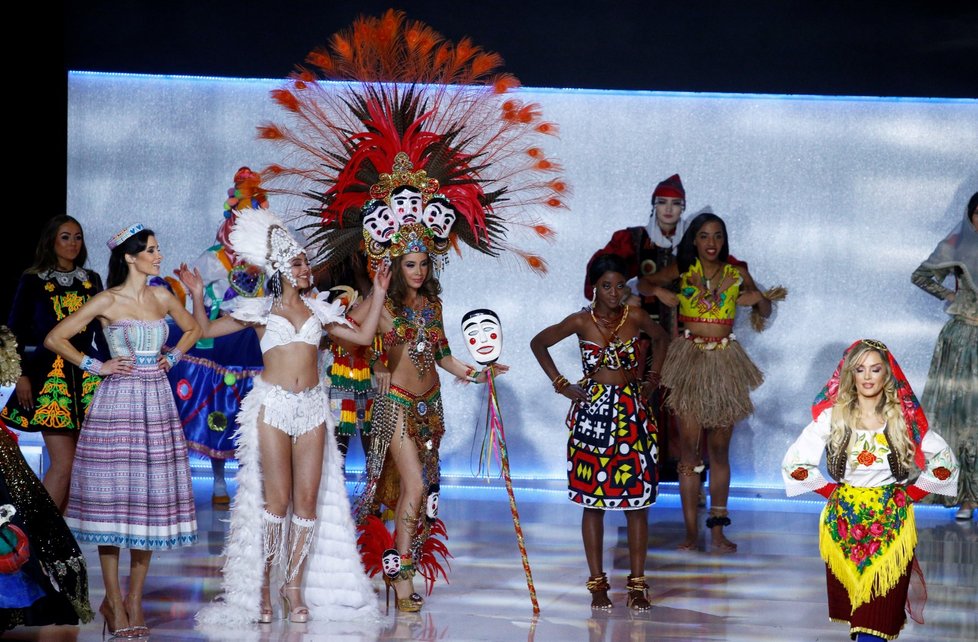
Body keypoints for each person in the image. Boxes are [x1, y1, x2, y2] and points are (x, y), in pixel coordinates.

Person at [188, 208, 388, 626]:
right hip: (274, 406)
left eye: (305, 262)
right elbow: (204, 332)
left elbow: (365, 336)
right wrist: (194, 293)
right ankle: (263, 581)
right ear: (281, 268)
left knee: (307, 503)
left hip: (313, 408)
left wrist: (381, 291)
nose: (306, 268)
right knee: (276, 502)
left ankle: (291, 586)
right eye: (298, 263)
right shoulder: (259, 311)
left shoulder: (320, 311)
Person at [43, 223, 200, 638]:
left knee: (147, 504)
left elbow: (194, 328)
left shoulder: (163, 295)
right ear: (130, 257)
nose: (159, 255)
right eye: (151, 250)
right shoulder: (107, 299)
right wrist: (97, 365)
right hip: (116, 406)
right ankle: (113, 602)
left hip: (157, 405)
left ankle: (134, 600)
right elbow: (55, 338)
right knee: (114, 504)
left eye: (157, 248)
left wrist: (174, 357)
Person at [353, 219, 509, 613]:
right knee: (416, 486)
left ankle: (402, 566)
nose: (419, 271)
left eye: (423, 263)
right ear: (396, 265)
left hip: (430, 405)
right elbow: (349, 326)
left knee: (419, 493)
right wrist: (375, 362)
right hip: (397, 405)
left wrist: (477, 374)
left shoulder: (433, 305)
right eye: (410, 264)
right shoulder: (384, 304)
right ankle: (401, 574)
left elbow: (443, 357)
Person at [782, 339, 958, 641]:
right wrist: (830, 492)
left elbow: (944, 463)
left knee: (877, 618)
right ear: (850, 374)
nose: (866, 376)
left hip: (892, 523)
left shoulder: (902, 418)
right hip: (844, 524)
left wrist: (909, 495)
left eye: (875, 369)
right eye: (860, 369)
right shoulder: (833, 416)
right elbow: (795, 463)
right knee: (860, 616)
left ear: (887, 375)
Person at [531, 253, 668, 611]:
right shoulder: (580, 321)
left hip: (631, 413)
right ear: (593, 287)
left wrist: (652, 380)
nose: (613, 292)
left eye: (620, 285)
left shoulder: (634, 316)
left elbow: (661, 337)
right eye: (606, 285)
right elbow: (538, 343)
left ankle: (637, 585)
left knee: (637, 504)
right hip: (593, 416)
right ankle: (597, 584)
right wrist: (561, 384)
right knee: (593, 504)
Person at [639, 211, 782, 552]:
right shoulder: (683, 270)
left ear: (724, 240)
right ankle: (691, 532)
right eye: (704, 236)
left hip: (724, 363)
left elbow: (765, 311)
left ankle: (717, 530)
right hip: (689, 361)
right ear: (694, 240)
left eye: (717, 236)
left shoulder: (737, 274)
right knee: (688, 452)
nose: (711, 243)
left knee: (719, 450)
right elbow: (641, 283)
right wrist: (659, 291)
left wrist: (757, 299)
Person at [2, 215, 107, 513]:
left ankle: (57, 545)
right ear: (51, 240)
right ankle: (38, 538)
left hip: (86, 379)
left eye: (77, 237)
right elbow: (14, 331)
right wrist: (20, 375)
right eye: (65, 237)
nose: (73, 243)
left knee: (75, 466)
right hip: (50, 378)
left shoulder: (92, 280)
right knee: (63, 463)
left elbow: (101, 331)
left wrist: (112, 368)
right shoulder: (33, 279)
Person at [584, 174, 686, 481]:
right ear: (653, 206)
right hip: (636, 343)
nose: (668, 210)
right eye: (662, 203)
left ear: (683, 208)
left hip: (683, 343)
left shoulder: (693, 244)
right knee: (637, 406)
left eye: (676, 204)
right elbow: (604, 275)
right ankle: (633, 474)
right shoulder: (630, 240)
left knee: (682, 409)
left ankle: (685, 477)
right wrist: (642, 292)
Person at [911, 191, 978, 521]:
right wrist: (951, 294)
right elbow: (920, 275)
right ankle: (967, 497)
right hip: (963, 338)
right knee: (962, 416)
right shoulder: (958, 246)